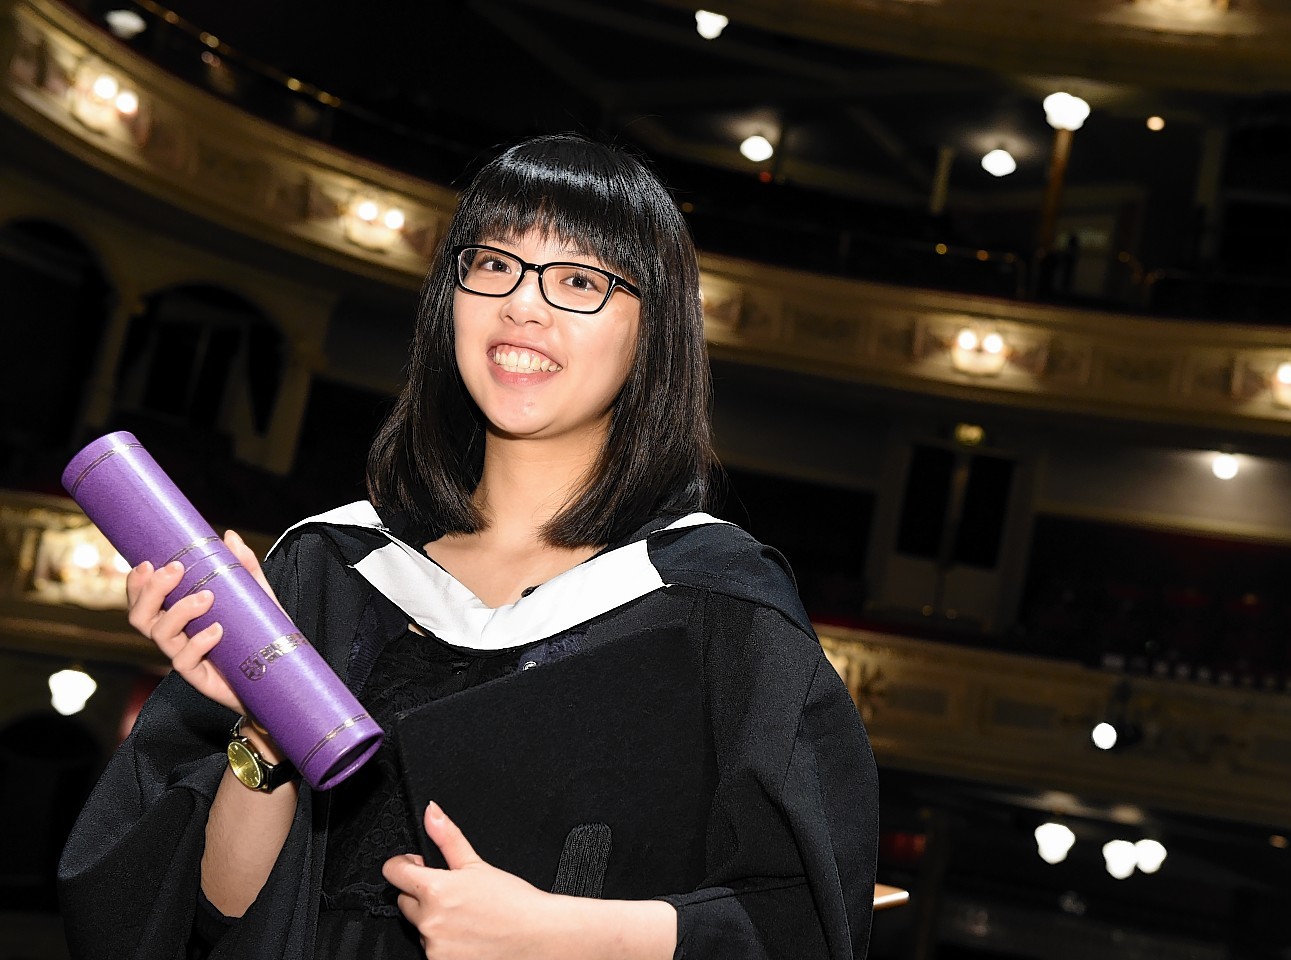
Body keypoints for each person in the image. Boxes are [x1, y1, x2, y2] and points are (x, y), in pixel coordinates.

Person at [58, 134, 879, 960]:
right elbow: (221, 916)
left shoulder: (717, 610)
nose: (523, 305)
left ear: (652, 332)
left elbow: (803, 925)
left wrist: (563, 934)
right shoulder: (331, 570)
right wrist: (265, 724)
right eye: (493, 265)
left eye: (580, 281)